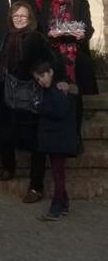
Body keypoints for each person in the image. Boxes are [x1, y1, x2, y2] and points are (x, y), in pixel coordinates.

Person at [0, 1, 65, 203]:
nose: (19, 19)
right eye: (16, 16)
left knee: (36, 144)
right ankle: (9, 168)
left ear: (30, 19)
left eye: (23, 16)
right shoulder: (8, 36)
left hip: (31, 95)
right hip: (12, 95)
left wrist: (45, 75)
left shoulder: (36, 38)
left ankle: (36, 186)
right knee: (6, 135)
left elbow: (51, 60)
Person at [38, 0, 98, 141]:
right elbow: (42, 28)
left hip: (75, 55)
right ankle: (57, 137)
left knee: (75, 96)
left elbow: (88, 27)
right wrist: (49, 34)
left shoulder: (80, 2)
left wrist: (83, 35)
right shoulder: (47, 3)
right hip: (54, 55)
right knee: (55, 95)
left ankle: (75, 137)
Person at [32, 60, 78, 221]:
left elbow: (60, 112)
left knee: (58, 174)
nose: (41, 81)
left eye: (43, 76)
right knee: (57, 172)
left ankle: (56, 206)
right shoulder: (50, 90)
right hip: (54, 139)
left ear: (51, 72)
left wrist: (40, 107)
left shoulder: (57, 90)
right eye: (38, 79)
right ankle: (63, 203)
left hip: (59, 139)